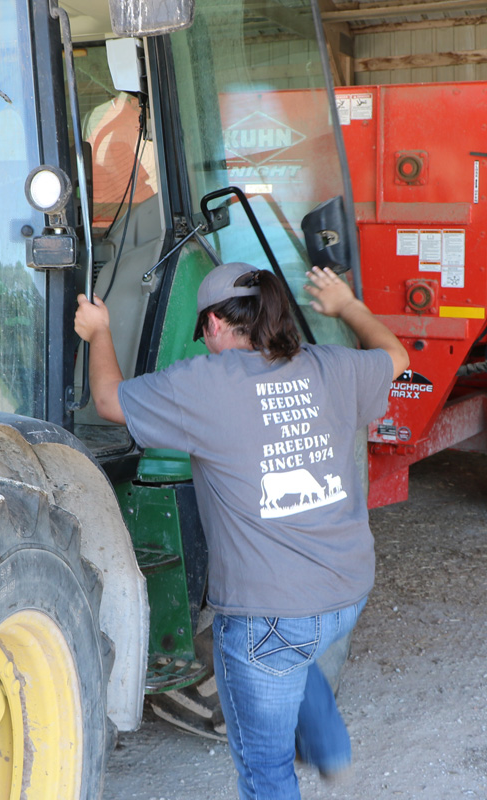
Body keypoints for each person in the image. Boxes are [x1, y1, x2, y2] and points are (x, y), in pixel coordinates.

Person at [74, 262, 409, 800]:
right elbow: (397, 358)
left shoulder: (204, 383)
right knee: (297, 647)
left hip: (267, 615)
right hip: (347, 591)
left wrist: (99, 332)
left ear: (213, 325)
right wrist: (346, 305)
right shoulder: (331, 366)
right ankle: (329, 748)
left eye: (205, 334)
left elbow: (110, 402)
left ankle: (323, 747)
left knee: (265, 771)